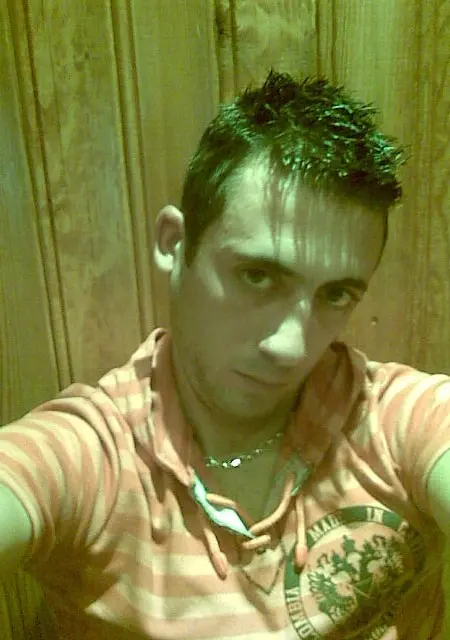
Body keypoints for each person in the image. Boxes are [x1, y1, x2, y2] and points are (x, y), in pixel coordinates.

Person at [1, 70, 449, 640]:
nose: (292, 347)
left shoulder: (392, 421)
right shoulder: (94, 457)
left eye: (335, 294)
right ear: (174, 244)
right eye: (257, 275)